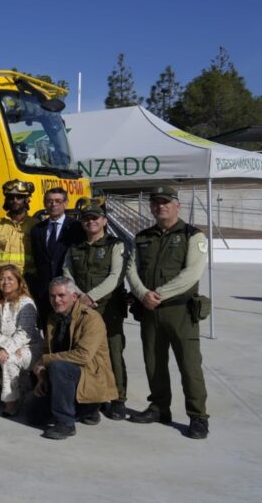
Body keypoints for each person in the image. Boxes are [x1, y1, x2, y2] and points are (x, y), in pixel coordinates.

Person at [126, 185, 211, 440]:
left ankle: (198, 416)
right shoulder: (142, 237)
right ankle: (159, 408)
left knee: (189, 365)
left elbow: (191, 274)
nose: (160, 206)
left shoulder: (192, 236)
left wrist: (157, 295)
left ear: (177, 205)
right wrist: (142, 294)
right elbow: (132, 269)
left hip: (180, 312)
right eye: (156, 202)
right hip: (150, 312)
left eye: (165, 202)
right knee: (154, 363)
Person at [63, 198, 130, 419]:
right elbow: (67, 272)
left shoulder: (115, 245)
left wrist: (91, 296)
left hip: (108, 307)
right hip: (82, 307)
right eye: (86, 218)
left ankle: (118, 398)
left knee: (112, 351)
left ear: (104, 221)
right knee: (85, 352)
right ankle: (94, 395)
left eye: (95, 218)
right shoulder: (75, 248)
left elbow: (115, 276)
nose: (90, 222)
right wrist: (80, 297)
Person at [31, 277, 118, 440]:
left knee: (57, 366)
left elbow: (83, 356)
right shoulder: (53, 318)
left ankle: (66, 422)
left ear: (74, 297)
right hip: (63, 376)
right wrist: (41, 375)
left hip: (88, 375)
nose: (56, 300)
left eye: (61, 295)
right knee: (35, 417)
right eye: (52, 296)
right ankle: (84, 411)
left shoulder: (91, 318)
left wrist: (47, 360)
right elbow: (45, 350)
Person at [0, 265, 41, 416]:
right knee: (9, 360)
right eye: (1, 279)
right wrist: (5, 345)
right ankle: (23, 393)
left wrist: (7, 349)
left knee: (9, 360)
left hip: (29, 346)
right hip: (6, 347)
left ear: (18, 281)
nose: (5, 282)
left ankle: (10, 402)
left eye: (10, 278)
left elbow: (24, 333)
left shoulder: (26, 302)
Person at [30, 187, 85, 328]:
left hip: (67, 291)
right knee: (48, 331)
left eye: (58, 201)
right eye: (49, 201)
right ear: (44, 203)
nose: (53, 204)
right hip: (45, 292)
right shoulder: (37, 230)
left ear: (66, 203)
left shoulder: (77, 227)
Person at [0, 180, 38, 282]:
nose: (15, 200)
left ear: (26, 199)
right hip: (2, 279)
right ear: (6, 200)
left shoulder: (35, 225)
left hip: (27, 278)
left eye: (19, 197)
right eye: (11, 197)